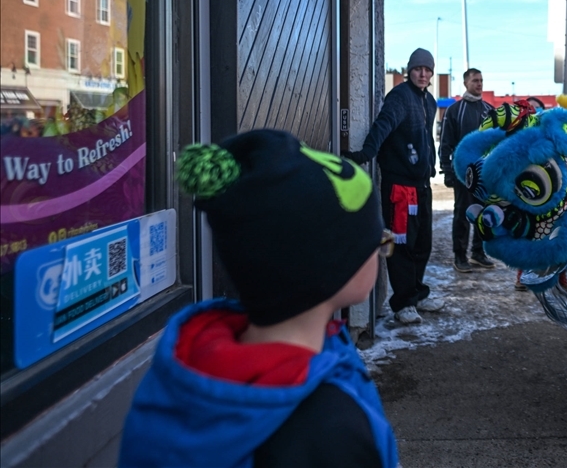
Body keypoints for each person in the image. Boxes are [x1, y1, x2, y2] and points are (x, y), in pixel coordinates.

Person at [119, 130, 398, 468]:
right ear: (327, 267)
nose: (383, 251)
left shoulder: (184, 377)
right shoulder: (331, 431)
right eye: (378, 243)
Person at [344, 48, 444, 325]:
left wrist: (432, 163)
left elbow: (427, 138)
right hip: (399, 187)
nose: (423, 74)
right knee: (399, 244)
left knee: (422, 243)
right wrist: (366, 153)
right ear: (408, 71)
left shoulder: (429, 101)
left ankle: (417, 293)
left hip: (422, 184)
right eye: (417, 69)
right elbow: (383, 125)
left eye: (427, 70)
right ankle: (403, 303)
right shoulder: (399, 97)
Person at [440, 68, 496, 272]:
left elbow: (496, 142)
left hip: (485, 173)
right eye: (475, 80)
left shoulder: (490, 111)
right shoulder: (455, 111)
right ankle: (460, 256)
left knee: (483, 213)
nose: (479, 84)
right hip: (463, 173)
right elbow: (446, 143)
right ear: (465, 83)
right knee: (462, 214)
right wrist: (447, 170)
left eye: (481, 80)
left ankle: (478, 253)